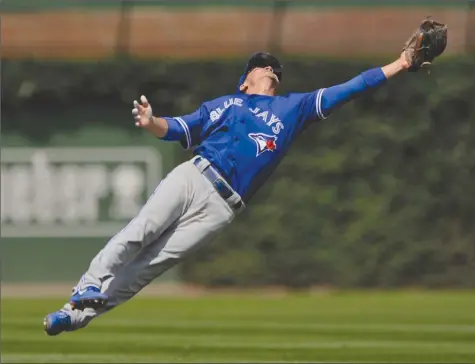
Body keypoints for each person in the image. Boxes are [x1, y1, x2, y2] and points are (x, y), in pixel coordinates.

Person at [43, 20, 447, 335]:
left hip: (222, 208)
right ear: (245, 80)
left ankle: (73, 316)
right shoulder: (228, 103)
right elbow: (180, 129)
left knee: (147, 269)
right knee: (141, 230)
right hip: (194, 177)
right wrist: (151, 123)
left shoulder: (296, 108)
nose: (269, 68)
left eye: (273, 67)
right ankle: (87, 286)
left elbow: (352, 88)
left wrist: (403, 63)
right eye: (260, 65)